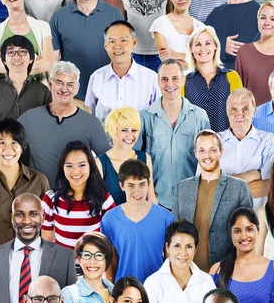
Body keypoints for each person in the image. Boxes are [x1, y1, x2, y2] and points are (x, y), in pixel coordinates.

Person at [18, 61, 110, 186]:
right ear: (50, 84)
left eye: (70, 84)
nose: (64, 89)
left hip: (77, 198)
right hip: (40, 197)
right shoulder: (29, 118)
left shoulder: (91, 123)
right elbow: (8, 148)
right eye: (59, 82)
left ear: (76, 89)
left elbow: (107, 161)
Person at [173, 130, 253, 272]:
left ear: (221, 152)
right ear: (196, 153)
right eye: (202, 150)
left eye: (212, 150)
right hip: (188, 270)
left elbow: (247, 234)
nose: (207, 156)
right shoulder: (182, 188)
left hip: (225, 270)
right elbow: (175, 232)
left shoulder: (239, 187)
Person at [0, 193, 76, 303]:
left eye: (33, 214)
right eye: (19, 214)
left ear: (42, 217)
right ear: (12, 218)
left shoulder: (65, 256)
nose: (26, 220)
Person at [138, 59, 210, 210]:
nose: (170, 84)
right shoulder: (144, 117)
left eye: (175, 78)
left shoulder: (200, 116)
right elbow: (138, 160)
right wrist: (148, 193)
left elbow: (208, 160)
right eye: (164, 79)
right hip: (156, 202)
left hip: (192, 202)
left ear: (183, 80)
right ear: (158, 81)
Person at [49, 0, 123, 102]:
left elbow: (122, 57)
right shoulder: (59, 17)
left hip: (108, 97)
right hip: (72, 98)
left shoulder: (114, 15)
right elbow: (53, 61)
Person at [210, 207, 274, 303]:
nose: (244, 236)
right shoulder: (217, 270)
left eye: (249, 229)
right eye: (237, 231)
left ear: (258, 231)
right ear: (230, 234)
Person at [144, 221, 215, 303]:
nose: (183, 252)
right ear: (167, 247)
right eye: (177, 246)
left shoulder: (206, 281)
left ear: (195, 249)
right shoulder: (153, 283)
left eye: (189, 246)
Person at [101, 159, 174, 282]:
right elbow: (110, 260)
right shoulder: (109, 219)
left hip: (157, 288)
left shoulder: (166, 217)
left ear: (148, 184)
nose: (137, 190)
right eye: (131, 185)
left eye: (142, 184)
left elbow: (169, 259)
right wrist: (111, 290)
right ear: (122, 186)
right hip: (123, 288)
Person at [41, 141, 114, 250]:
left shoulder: (104, 199)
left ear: (90, 166)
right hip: (63, 265)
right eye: (69, 166)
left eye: (82, 165)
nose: (76, 171)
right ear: (63, 168)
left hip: (94, 265)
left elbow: (111, 242)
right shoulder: (50, 198)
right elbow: (46, 244)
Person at [217, 88, 274, 211]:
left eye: (245, 109)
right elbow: (206, 186)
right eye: (234, 109)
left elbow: (270, 186)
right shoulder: (214, 142)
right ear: (227, 111)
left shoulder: (269, 141)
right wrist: (253, 175)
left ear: (254, 111)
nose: (239, 114)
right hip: (221, 222)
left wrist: (223, 187)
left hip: (257, 221)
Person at [85, 20, 159, 122]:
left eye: (123, 40)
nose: (117, 46)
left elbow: (157, 120)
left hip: (139, 138)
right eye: (112, 41)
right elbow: (89, 118)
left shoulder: (151, 78)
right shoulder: (96, 77)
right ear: (106, 46)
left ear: (134, 43)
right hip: (104, 138)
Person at [0, 119, 48, 247]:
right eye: (2, 142)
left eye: (14, 142)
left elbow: (47, 225)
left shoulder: (39, 180)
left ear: (22, 148)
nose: (8, 149)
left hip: (29, 260)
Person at [235, 1, 274, 106]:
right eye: (263, 18)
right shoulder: (244, 52)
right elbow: (239, 92)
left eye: (273, 19)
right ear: (258, 20)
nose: (267, 23)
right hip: (252, 118)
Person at [0, 0, 53, 83]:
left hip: (37, 95)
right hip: (3, 96)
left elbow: (47, 63)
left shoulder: (43, 27)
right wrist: (34, 59)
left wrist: (6, 61)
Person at [206, 0, 260, 70]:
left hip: (245, 77)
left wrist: (216, 45)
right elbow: (202, 45)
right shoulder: (215, 13)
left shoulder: (257, 11)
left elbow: (241, 49)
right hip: (216, 77)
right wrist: (223, 44)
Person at [185, 25, 242, 132]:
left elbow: (239, 113)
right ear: (191, 49)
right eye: (197, 44)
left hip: (226, 144)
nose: (203, 49)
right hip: (195, 144)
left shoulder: (232, 76)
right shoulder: (184, 81)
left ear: (215, 46)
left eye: (208, 43)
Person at [59, 232, 116, 303]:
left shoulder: (117, 292)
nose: (92, 261)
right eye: (87, 255)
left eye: (99, 255)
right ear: (79, 259)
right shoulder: (69, 294)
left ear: (106, 260)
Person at [96, 106, 156, 206]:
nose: (130, 135)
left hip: (141, 219)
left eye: (134, 130)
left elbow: (151, 198)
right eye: (124, 130)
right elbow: (97, 203)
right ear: (113, 130)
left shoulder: (145, 158)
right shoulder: (99, 163)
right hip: (112, 220)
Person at [149, 0, 204, 75]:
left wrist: (176, 54)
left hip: (199, 82)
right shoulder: (160, 24)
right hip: (172, 82)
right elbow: (166, 61)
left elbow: (205, 59)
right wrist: (194, 59)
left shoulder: (201, 27)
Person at [0, 36, 51, 122]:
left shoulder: (44, 92)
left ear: (31, 59)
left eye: (22, 52)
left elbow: (49, 125)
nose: (16, 57)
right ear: (4, 60)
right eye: (11, 52)